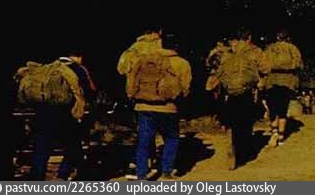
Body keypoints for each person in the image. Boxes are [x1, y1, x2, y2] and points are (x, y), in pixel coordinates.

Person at [125, 32, 191, 180]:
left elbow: (130, 82)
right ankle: (166, 171)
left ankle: (141, 174)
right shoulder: (182, 63)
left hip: (143, 106)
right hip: (169, 108)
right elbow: (186, 88)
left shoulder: (144, 60)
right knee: (171, 138)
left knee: (144, 140)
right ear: (177, 46)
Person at [206, 27, 271, 170]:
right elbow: (266, 69)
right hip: (247, 92)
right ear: (249, 37)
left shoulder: (227, 51)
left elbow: (214, 67)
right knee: (245, 122)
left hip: (228, 93)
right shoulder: (255, 51)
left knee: (231, 121)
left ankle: (232, 145)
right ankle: (243, 151)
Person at [27, 47, 96, 180]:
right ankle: (62, 176)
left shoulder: (49, 68)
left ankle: (36, 179)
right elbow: (90, 91)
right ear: (79, 57)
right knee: (72, 148)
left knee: (41, 149)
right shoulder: (77, 69)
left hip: (43, 113)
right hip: (66, 115)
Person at [117, 26, 162, 179]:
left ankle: (139, 162)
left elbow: (121, 69)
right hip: (158, 94)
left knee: (143, 129)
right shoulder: (160, 46)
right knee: (150, 130)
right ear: (158, 31)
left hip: (136, 94)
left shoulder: (134, 48)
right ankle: (143, 163)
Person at [263, 29, 302, 148]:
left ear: (277, 37)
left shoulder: (270, 48)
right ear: (288, 38)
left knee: (272, 109)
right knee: (282, 110)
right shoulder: (293, 49)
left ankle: (274, 132)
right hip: (287, 82)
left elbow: (263, 65)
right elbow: (298, 64)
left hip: (271, 82)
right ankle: (281, 136)